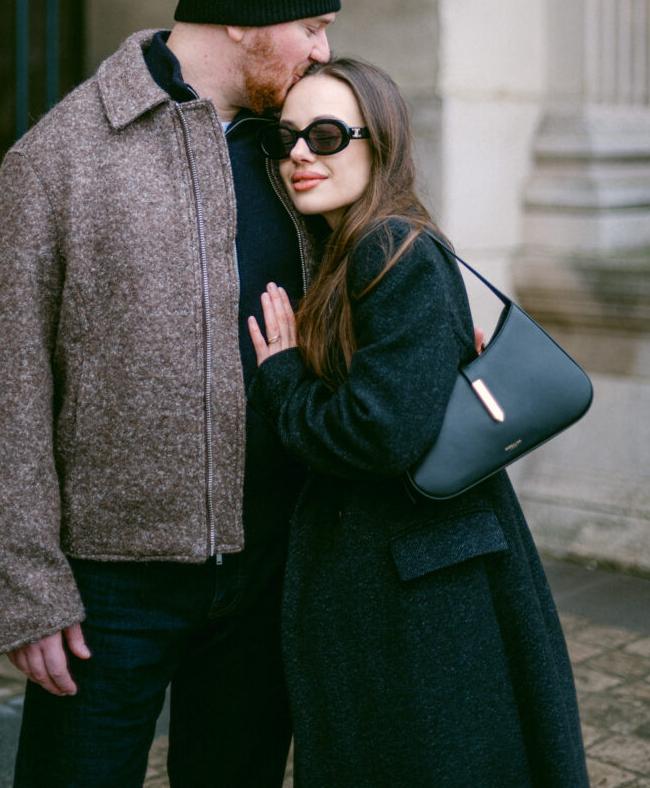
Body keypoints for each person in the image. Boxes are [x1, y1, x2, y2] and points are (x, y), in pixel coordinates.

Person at [0, 0, 340, 788]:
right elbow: (3, 386)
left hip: (272, 561)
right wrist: (29, 589)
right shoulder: (58, 159)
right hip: (110, 588)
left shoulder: (302, 151)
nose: (324, 51)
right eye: (312, 27)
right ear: (243, 18)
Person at [247, 57, 590, 788]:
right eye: (287, 139)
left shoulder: (388, 249)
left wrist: (281, 376)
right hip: (416, 577)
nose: (300, 154)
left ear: (381, 142)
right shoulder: (354, 248)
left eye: (328, 134)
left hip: (422, 593)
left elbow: (377, 432)